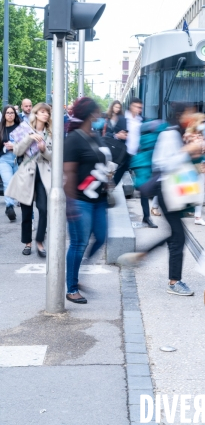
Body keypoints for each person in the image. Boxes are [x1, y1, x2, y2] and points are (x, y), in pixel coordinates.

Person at [118, 103, 203, 296]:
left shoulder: (182, 134)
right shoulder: (169, 134)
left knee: (175, 234)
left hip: (177, 189)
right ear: (181, 115)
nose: (193, 117)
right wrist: (186, 151)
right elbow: (161, 163)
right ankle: (174, 281)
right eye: (190, 113)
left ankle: (142, 254)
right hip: (166, 189)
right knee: (178, 236)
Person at [64, 97, 109, 304]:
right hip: (81, 200)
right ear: (91, 113)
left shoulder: (95, 136)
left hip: (99, 199)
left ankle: (79, 272)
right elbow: (69, 172)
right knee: (79, 243)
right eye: (98, 111)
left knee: (101, 237)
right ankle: (72, 288)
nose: (100, 114)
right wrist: (71, 204)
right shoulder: (74, 139)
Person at [6, 103, 52, 257]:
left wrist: (44, 150)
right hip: (27, 173)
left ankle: (40, 242)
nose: (45, 114)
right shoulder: (25, 129)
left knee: (44, 209)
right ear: (36, 114)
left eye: (47, 112)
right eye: (43, 112)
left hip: (43, 174)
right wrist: (29, 138)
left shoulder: (50, 133)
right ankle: (28, 243)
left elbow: (53, 157)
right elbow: (17, 151)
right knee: (26, 212)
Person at [126, 97, 156, 228]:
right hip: (124, 156)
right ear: (131, 106)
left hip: (138, 157)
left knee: (143, 188)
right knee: (115, 184)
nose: (139, 110)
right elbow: (111, 133)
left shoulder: (142, 121)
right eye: (137, 107)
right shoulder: (123, 119)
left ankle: (146, 217)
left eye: (140, 108)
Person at [184, 113, 205, 226]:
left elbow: (204, 149)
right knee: (187, 190)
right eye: (202, 122)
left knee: (200, 192)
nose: (204, 124)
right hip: (190, 166)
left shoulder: (202, 135)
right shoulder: (188, 135)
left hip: (201, 166)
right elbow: (185, 150)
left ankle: (198, 217)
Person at [0, 106, 20, 221]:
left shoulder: (20, 128)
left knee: (16, 184)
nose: (10, 115)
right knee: (8, 181)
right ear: (4, 115)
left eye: (12, 113)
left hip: (18, 158)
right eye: (7, 113)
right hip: (4, 160)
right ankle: (9, 206)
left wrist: (15, 146)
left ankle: (15, 204)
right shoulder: (1, 128)